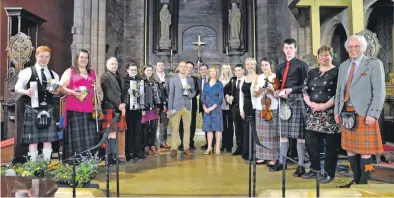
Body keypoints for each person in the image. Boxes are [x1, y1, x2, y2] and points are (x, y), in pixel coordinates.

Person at [334, 35, 385, 186]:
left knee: (365, 150)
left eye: (356, 46)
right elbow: (339, 91)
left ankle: (363, 183)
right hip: (346, 113)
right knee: (350, 149)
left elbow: (379, 91)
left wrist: (373, 113)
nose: (353, 49)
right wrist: (337, 111)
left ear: (362, 48)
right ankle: (355, 180)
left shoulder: (374, 64)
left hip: (364, 113)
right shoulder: (344, 66)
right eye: (350, 47)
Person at [302, 46, 340, 183]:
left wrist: (324, 106)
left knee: (331, 146)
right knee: (311, 143)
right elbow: (304, 90)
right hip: (313, 114)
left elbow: (339, 93)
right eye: (321, 55)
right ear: (318, 57)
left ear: (331, 56)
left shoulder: (338, 71)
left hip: (330, 113)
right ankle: (315, 169)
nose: (323, 58)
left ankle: (329, 173)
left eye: (326, 55)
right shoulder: (313, 72)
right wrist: (310, 103)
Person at [15, 46, 59, 162]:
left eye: (47, 57)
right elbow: (17, 88)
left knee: (47, 139)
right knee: (32, 140)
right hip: (33, 109)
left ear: (49, 58)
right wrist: (26, 91)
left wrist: (55, 92)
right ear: (36, 56)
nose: (44, 59)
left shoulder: (53, 75)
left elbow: (56, 91)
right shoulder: (28, 72)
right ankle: (33, 165)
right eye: (41, 56)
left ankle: (46, 164)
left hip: (48, 109)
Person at [272, 38, 308, 176]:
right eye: (286, 48)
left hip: (297, 100)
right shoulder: (280, 66)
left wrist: (291, 90)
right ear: (283, 49)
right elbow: (278, 83)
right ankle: (282, 162)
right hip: (283, 101)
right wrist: (277, 91)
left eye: (291, 48)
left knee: (300, 136)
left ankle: (301, 165)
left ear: (295, 49)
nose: (288, 50)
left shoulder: (302, 65)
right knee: (283, 135)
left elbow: (306, 85)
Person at [59, 49, 99, 160]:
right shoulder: (70, 71)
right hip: (74, 110)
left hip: (89, 111)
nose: (84, 59)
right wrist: (71, 92)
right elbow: (59, 88)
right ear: (77, 58)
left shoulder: (92, 73)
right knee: (77, 139)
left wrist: (95, 90)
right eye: (81, 57)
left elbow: (97, 90)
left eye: (86, 57)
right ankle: (75, 164)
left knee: (89, 140)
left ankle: (89, 163)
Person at [251, 58, 280, 166]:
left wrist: (270, 91)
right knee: (261, 134)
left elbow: (278, 95)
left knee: (272, 134)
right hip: (261, 107)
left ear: (270, 65)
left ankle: (273, 157)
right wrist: (259, 92)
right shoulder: (259, 77)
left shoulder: (275, 77)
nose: (264, 67)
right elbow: (254, 94)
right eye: (262, 65)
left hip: (272, 108)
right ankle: (262, 156)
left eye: (266, 65)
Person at [101, 57, 127, 164]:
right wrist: (119, 104)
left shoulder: (119, 77)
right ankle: (108, 157)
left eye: (115, 64)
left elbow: (125, 92)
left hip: (119, 107)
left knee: (115, 133)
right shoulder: (105, 77)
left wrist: (124, 103)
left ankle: (115, 156)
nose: (114, 65)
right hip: (110, 107)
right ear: (107, 66)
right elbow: (108, 93)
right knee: (109, 133)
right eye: (112, 64)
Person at [168, 61, 196, 156]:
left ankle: (186, 148)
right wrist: (170, 108)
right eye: (181, 66)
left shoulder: (190, 79)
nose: (183, 68)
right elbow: (171, 94)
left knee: (187, 128)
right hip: (176, 107)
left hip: (187, 107)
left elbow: (193, 91)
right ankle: (174, 148)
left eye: (185, 67)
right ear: (178, 68)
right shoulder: (173, 79)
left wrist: (191, 95)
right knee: (175, 128)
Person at [124, 62, 145, 162]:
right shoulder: (124, 81)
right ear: (127, 70)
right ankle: (129, 152)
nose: (133, 72)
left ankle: (137, 151)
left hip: (138, 109)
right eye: (131, 70)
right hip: (128, 110)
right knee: (129, 132)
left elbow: (142, 95)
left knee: (138, 131)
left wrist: (143, 106)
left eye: (135, 70)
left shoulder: (140, 81)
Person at [239, 58, 258, 162]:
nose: (249, 66)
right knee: (246, 130)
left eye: (251, 64)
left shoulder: (258, 77)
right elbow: (241, 96)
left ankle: (255, 153)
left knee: (254, 130)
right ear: (245, 66)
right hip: (245, 106)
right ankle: (247, 152)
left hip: (254, 106)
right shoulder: (243, 78)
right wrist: (241, 110)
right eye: (247, 64)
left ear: (255, 65)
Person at [223, 64, 245, 155]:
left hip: (244, 108)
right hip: (234, 108)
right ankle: (239, 147)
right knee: (237, 128)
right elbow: (225, 89)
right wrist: (227, 96)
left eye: (239, 70)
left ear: (243, 71)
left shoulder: (246, 79)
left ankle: (245, 148)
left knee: (244, 128)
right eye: (236, 71)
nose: (237, 72)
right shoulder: (233, 80)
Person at [202, 67, 224, 155]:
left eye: (214, 71)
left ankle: (217, 147)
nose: (212, 73)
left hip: (216, 109)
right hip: (207, 109)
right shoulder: (206, 85)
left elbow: (220, 98)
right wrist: (204, 107)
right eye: (210, 71)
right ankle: (209, 147)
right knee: (209, 129)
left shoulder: (219, 84)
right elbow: (203, 97)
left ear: (216, 73)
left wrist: (212, 107)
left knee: (218, 128)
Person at [179, 61, 199, 150]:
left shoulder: (195, 79)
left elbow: (197, 90)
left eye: (191, 68)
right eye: (187, 67)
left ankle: (190, 142)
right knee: (181, 124)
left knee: (192, 124)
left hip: (192, 104)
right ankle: (183, 143)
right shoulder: (178, 78)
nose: (189, 69)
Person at [141, 65, 160, 155]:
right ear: (144, 71)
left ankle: (152, 145)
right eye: (147, 70)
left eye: (150, 70)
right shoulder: (141, 81)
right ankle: (145, 146)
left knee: (153, 127)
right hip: (145, 108)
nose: (149, 72)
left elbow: (158, 94)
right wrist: (142, 108)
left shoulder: (155, 81)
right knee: (145, 129)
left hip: (154, 108)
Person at [154, 60, 171, 150]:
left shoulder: (168, 77)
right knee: (154, 124)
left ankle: (163, 142)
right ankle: (154, 143)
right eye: (158, 65)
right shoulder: (153, 77)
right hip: (155, 105)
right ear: (156, 66)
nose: (160, 66)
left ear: (164, 67)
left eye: (162, 65)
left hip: (166, 104)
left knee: (164, 124)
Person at [219, 64, 234, 153]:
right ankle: (223, 144)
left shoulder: (231, 80)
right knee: (223, 126)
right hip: (221, 106)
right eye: (224, 68)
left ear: (229, 70)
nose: (225, 70)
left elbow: (233, 92)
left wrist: (230, 98)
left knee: (230, 126)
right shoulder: (219, 80)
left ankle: (229, 145)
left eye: (227, 68)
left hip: (229, 105)